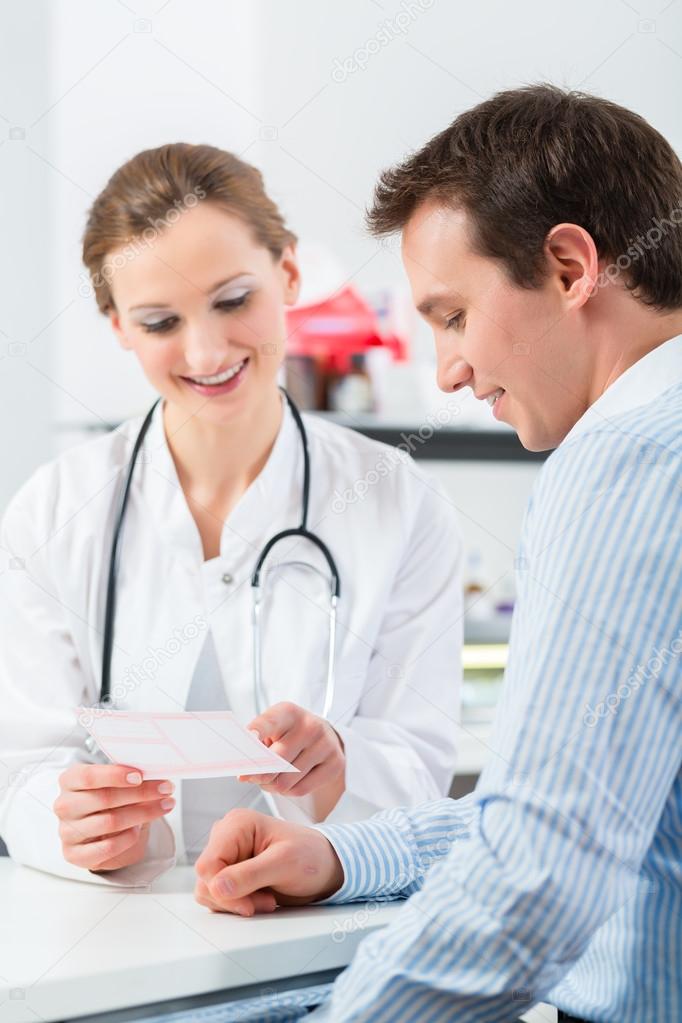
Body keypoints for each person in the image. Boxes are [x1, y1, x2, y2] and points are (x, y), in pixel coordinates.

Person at [190, 87, 682, 1023]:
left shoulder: (622, 461)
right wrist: (342, 858)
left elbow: (534, 880)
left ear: (572, 266)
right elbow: (573, 805)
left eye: (453, 317)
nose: (448, 369)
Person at [0, 143, 463, 887]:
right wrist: (69, 822)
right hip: (118, 946)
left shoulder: (397, 500)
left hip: (326, 938)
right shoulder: (55, 511)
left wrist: (338, 767)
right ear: (117, 324)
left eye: (232, 299)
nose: (207, 349)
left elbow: (421, 765)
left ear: (287, 274)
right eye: (159, 321)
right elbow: (21, 768)